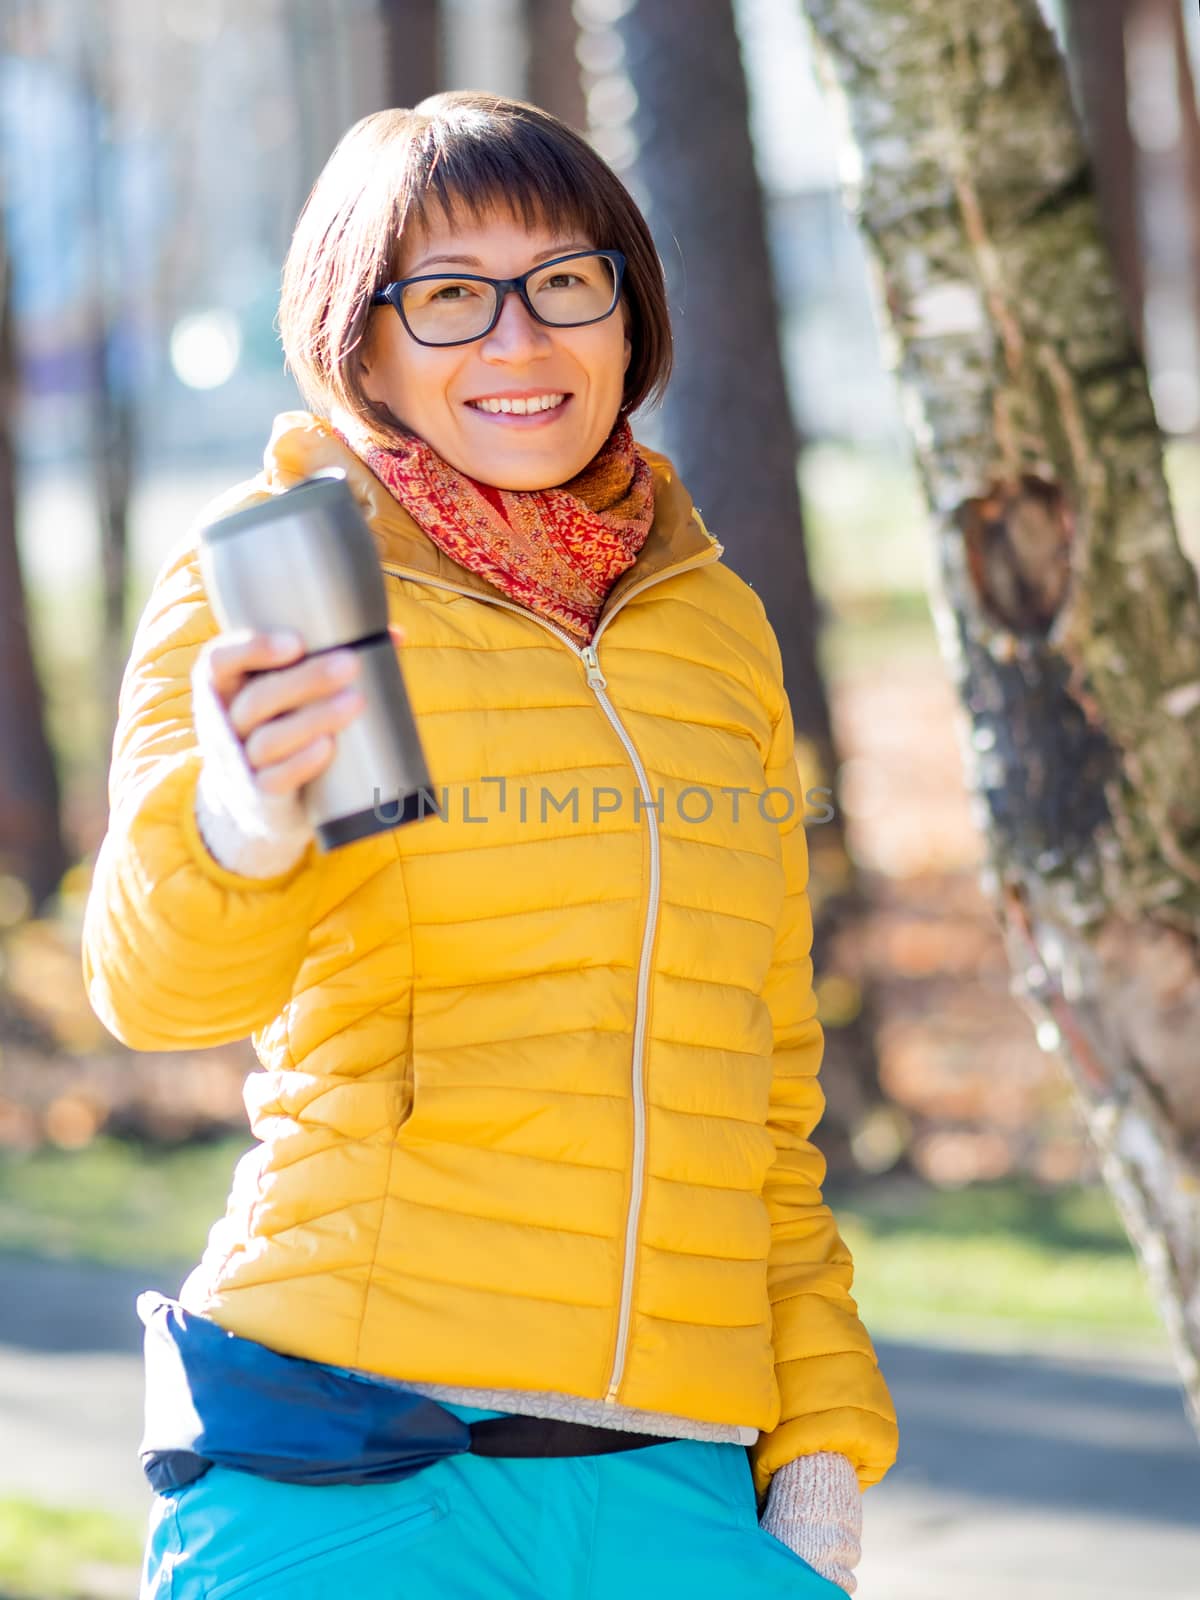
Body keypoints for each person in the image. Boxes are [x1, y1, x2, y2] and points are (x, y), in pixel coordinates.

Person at [81, 91, 898, 1599]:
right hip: (345, 1460)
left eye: (565, 284)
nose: (518, 343)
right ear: (361, 338)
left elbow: (765, 1081)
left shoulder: (714, 631)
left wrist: (825, 1445)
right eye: (450, 299)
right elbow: (156, 990)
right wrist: (244, 820)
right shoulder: (270, 586)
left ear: (627, 311)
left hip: (676, 1479)